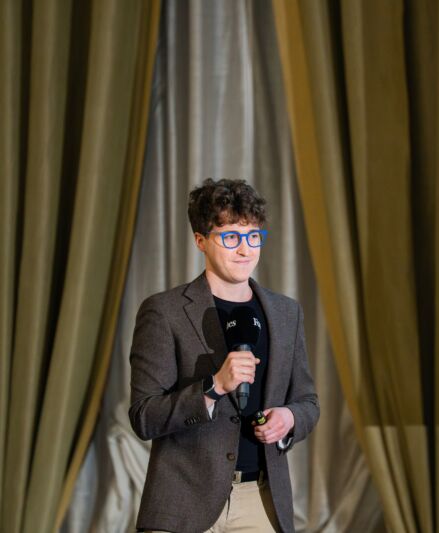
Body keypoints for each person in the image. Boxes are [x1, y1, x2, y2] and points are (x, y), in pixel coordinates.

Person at [129, 178, 319, 533]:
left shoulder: (285, 313)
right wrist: (213, 387)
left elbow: (308, 401)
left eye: (253, 236)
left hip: (260, 500)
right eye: (230, 236)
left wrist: (290, 418)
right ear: (200, 240)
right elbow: (144, 417)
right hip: (183, 501)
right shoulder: (164, 311)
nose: (245, 249)